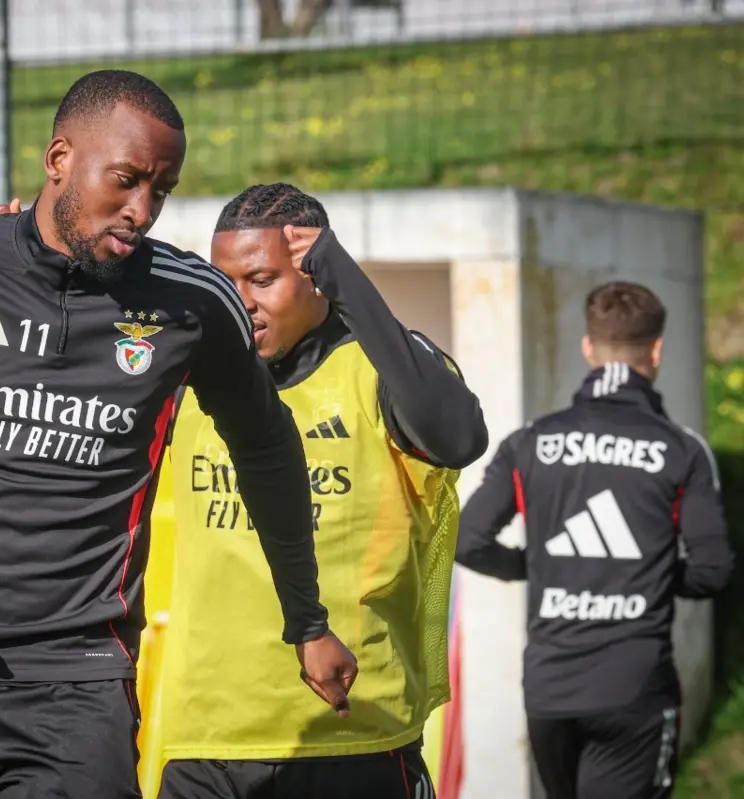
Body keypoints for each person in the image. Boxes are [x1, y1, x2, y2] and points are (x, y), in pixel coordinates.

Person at [0, 70, 357, 798]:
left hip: (82, 684)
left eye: (162, 190)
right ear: (59, 159)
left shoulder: (191, 303)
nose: (142, 209)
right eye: (125, 180)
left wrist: (306, 619)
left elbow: (269, 452)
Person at [145, 184, 488, 799]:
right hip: (207, 737)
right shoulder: (191, 371)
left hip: (353, 732)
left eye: (262, 280)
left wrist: (351, 285)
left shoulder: (379, 370)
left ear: (316, 277)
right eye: (228, 284)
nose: (240, 302)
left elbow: (458, 438)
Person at [455, 281, 735, 799]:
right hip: (634, 688)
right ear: (656, 349)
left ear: (589, 348)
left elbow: (467, 540)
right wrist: (647, 576)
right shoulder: (682, 450)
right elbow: (713, 570)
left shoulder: (529, 442)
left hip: (549, 691)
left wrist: (533, 566)